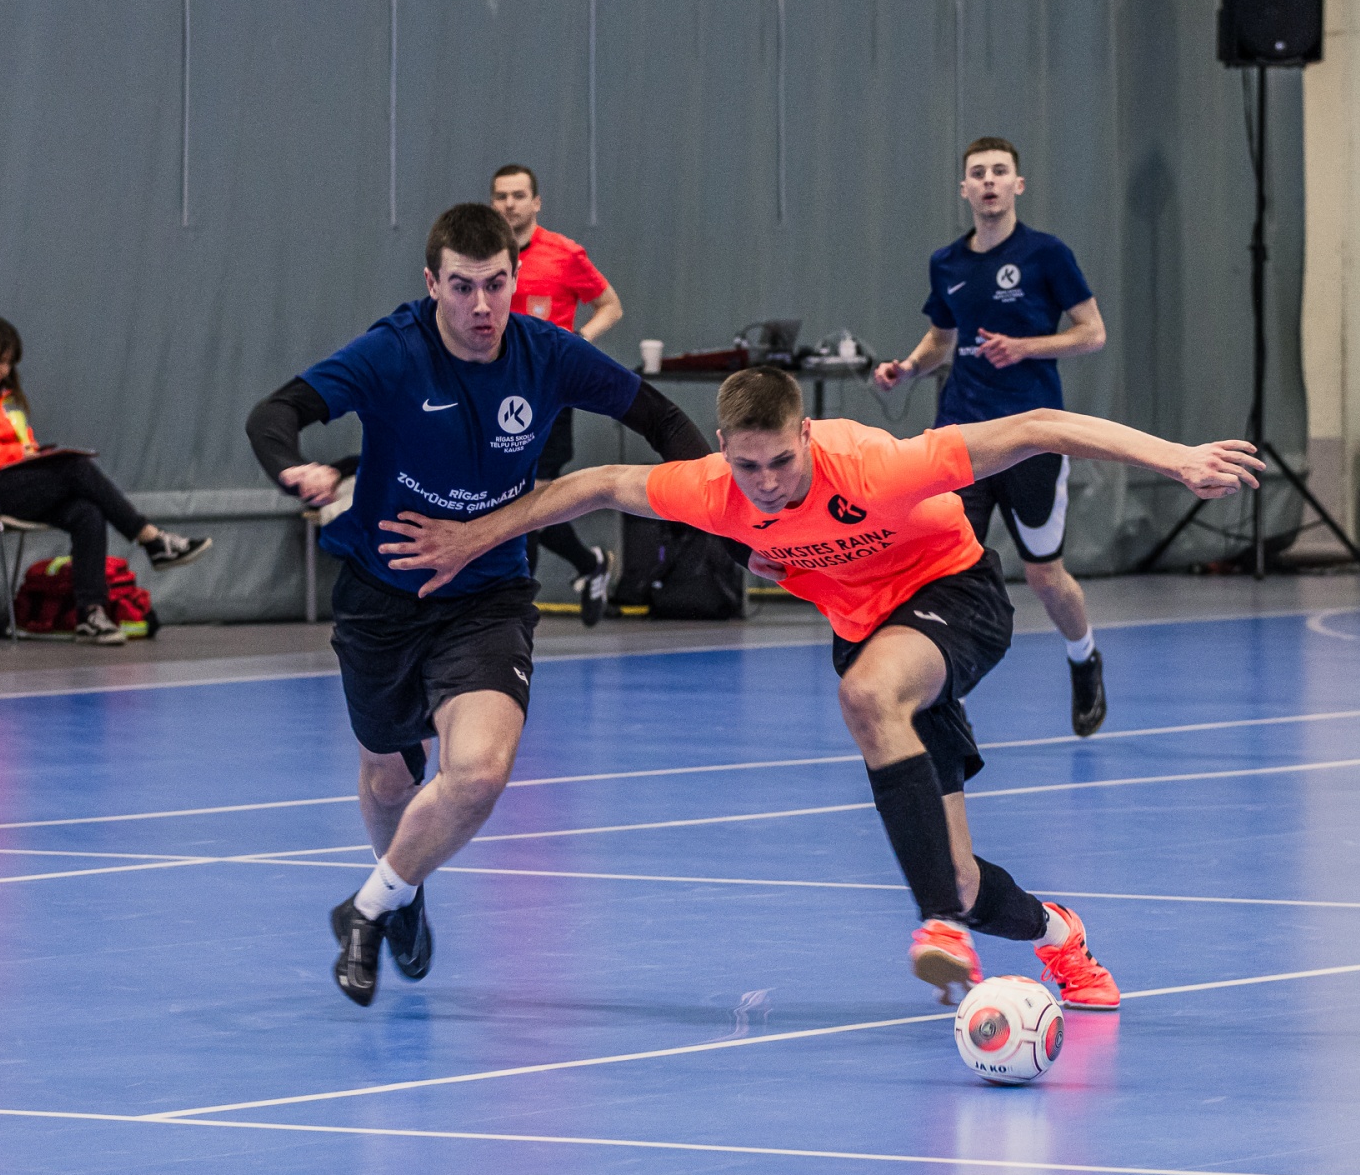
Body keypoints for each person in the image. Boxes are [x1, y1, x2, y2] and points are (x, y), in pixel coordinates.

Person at [379, 365, 1263, 1009]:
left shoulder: (878, 467)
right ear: (723, 451)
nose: (766, 485)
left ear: (806, 434)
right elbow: (595, 485)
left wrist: (1176, 458)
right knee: (957, 875)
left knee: (869, 696)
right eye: (748, 466)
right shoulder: (716, 490)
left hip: (953, 595)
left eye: (781, 462)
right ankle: (1059, 937)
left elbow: (1037, 425)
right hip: (867, 633)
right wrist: (470, 539)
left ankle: (938, 929)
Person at [245, 202, 712, 1007]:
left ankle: (368, 905)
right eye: (462, 287)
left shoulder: (545, 354)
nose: (482, 305)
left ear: (515, 279)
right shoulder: (393, 352)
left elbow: (660, 417)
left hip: (487, 596)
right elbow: (276, 413)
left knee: (480, 773)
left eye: (496, 284)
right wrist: (294, 468)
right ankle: (403, 891)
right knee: (389, 778)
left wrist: (723, 511)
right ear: (433, 284)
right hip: (382, 596)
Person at [874, 137, 1112, 736]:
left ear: (1017, 185)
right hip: (962, 439)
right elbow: (941, 340)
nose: (988, 181)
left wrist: (1027, 347)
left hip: (1033, 437)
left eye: (999, 171)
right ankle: (940, 689)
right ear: (964, 189)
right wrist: (907, 368)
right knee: (944, 568)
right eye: (977, 173)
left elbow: (1091, 333)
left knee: (1044, 575)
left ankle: (1084, 657)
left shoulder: (1046, 254)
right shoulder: (947, 263)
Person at [0, 316, 210, 645]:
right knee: (75, 468)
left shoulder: (7, 400)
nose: (3, 369)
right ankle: (151, 538)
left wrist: (33, 454)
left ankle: (91, 614)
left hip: (16, 486)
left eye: (9, 363)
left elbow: (23, 446)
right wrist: (12, 454)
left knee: (87, 512)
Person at [489, 164, 624, 625]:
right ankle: (590, 563)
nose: (510, 204)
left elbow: (610, 305)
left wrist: (578, 341)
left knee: (531, 496)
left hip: (547, 393)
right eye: (501, 196)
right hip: (493, 393)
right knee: (511, 497)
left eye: (518, 195)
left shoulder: (564, 254)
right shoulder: (483, 255)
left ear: (536, 202)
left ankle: (515, 606)